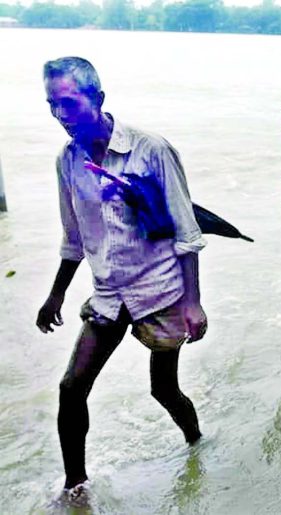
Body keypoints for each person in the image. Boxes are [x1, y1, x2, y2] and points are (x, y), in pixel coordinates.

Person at [36, 57, 207, 505]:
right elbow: (74, 237)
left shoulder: (150, 150)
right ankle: (75, 490)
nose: (60, 115)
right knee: (72, 388)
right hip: (109, 295)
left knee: (162, 389)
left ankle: (198, 446)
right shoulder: (67, 162)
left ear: (98, 99)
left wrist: (194, 303)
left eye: (69, 103)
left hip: (160, 292)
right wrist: (55, 295)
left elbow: (187, 233)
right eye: (52, 105)